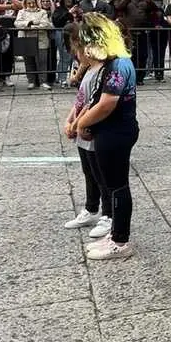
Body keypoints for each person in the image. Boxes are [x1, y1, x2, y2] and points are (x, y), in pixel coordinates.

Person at [71, 13, 140, 261]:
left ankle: (120, 240)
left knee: (117, 186)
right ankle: (114, 234)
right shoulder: (108, 63)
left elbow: (107, 103)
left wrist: (81, 125)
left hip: (117, 131)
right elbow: (93, 100)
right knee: (111, 184)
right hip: (107, 131)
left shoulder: (119, 64)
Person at [63, 22, 113, 241]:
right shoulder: (87, 70)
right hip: (82, 130)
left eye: (77, 47)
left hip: (92, 130)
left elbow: (93, 103)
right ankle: (91, 209)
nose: (75, 53)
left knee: (102, 175)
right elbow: (80, 99)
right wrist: (69, 119)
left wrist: (78, 124)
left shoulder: (103, 71)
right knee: (89, 172)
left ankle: (108, 215)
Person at [117, 0, 158, 84]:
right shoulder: (126, 1)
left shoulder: (145, 1)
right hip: (129, 33)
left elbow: (155, 9)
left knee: (143, 55)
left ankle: (140, 78)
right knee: (130, 56)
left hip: (143, 32)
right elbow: (119, 8)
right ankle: (130, 77)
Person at [15, 0, 52, 90]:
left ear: (36, 2)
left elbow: (45, 24)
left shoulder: (42, 12)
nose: (31, 5)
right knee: (28, 62)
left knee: (42, 62)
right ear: (25, 3)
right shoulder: (21, 12)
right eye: (29, 3)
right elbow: (17, 24)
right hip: (25, 38)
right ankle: (31, 81)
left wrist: (31, 25)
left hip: (40, 39)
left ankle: (43, 82)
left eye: (33, 3)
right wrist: (30, 23)